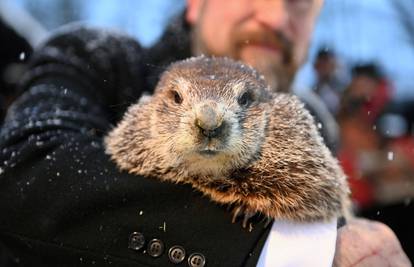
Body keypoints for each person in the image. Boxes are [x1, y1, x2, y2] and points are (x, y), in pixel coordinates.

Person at [0, 0, 410, 266]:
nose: (275, 17)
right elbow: (22, 174)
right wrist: (298, 250)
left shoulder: (315, 118)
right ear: (196, 4)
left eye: (300, 4)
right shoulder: (99, 58)